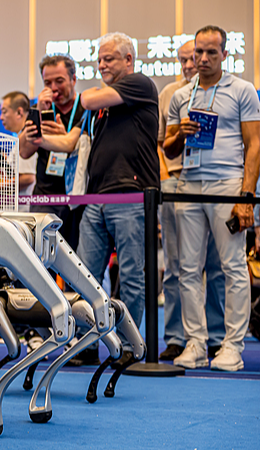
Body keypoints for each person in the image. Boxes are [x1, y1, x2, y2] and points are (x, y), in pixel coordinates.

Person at [165, 25, 260, 372]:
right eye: (197, 54)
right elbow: (170, 147)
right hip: (188, 184)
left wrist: (246, 197)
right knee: (187, 268)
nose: (202, 59)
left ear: (224, 54)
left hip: (227, 185)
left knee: (233, 267)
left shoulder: (242, 90)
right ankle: (195, 343)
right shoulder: (182, 95)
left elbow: (255, 146)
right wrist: (180, 133)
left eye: (210, 53)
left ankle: (233, 346)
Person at [74, 32, 159, 368]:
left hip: (130, 195)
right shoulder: (106, 106)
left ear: (128, 60)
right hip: (97, 196)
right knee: (85, 273)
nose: (101, 64)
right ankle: (86, 343)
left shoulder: (139, 83)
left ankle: (128, 344)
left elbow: (88, 101)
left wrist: (80, 95)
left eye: (108, 58)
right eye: (99, 59)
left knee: (130, 275)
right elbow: (72, 142)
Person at [156, 39, 225, 361]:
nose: (189, 64)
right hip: (176, 183)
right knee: (175, 267)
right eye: (185, 58)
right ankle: (175, 335)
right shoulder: (171, 94)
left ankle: (214, 336)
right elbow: (159, 142)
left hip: (214, 183)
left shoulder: (224, 90)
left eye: (193, 57)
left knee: (216, 265)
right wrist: (168, 179)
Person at [21, 53, 87, 250]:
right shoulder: (38, 109)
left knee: (77, 264)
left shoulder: (86, 107)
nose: (54, 88)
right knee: (41, 263)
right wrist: (39, 113)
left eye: (60, 81)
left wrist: (63, 136)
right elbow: (24, 152)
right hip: (45, 197)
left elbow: (77, 145)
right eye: (48, 82)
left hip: (77, 197)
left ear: (73, 79)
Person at [0, 91, 38, 211]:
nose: (1, 117)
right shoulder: (20, 137)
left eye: (4, 112)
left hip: (25, 211)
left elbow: (29, 178)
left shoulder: (28, 138)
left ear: (19, 112)